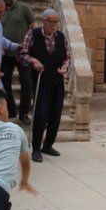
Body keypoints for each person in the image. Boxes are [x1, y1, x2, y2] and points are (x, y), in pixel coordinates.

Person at [17, 9, 70, 162]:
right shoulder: (33, 34)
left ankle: (48, 145)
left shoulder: (61, 37)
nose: (54, 26)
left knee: (55, 114)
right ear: (44, 21)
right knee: (41, 115)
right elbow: (22, 54)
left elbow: (67, 57)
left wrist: (65, 67)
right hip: (40, 79)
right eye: (51, 22)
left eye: (56, 22)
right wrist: (33, 61)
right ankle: (37, 148)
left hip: (57, 80)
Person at [0, 0, 35, 122]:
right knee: (5, 84)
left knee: (27, 83)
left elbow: (34, 27)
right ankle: (11, 110)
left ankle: (24, 113)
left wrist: (30, 47)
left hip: (23, 54)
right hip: (4, 55)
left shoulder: (24, 8)